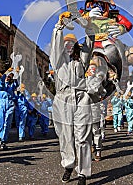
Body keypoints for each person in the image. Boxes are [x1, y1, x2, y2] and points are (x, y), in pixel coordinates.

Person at [50, 16, 94, 185]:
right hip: (62, 99)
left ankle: (82, 173)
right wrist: (60, 26)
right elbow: (55, 46)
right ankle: (69, 165)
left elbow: (89, 45)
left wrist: (89, 27)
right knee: (66, 137)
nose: (68, 46)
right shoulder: (58, 61)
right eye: (65, 43)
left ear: (76, 46)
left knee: (82, 137)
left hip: (81, 98)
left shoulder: (81, 60)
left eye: (71, 43)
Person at [0, 70, 18, 150]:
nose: (8, 78)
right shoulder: (0, 83)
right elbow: (1, 83)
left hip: (10, 104)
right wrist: (4, 74)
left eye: (9, 77)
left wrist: (16, 76)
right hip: (1, 103)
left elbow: (16, 84)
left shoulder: (11, 86)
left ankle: (3, 140)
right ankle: (0, 138)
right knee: (1, 122)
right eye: (7, 77)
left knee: (7, 122)